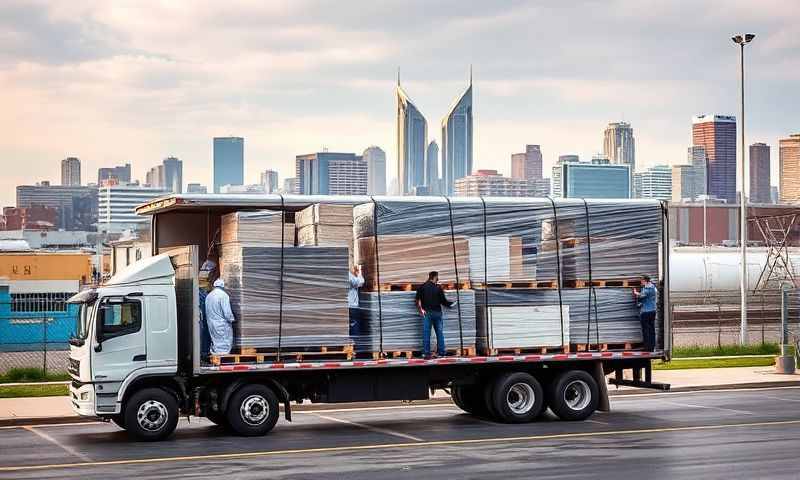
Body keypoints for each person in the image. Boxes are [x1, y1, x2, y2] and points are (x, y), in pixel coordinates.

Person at [415, 271, 455, 359]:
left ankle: (426, 353)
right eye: (437, 277)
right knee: (439, 333)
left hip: (427, 313)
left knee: (426, 333)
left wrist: (421, 310)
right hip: (437, 313)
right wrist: (451, 304)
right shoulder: (438, 288)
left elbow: (417, 300)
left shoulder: (422, 287)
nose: (438, 278)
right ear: (435, 277)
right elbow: (443, 301)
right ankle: (441, 352)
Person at [206, 278, 236, 355]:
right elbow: (227, 312)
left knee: (215, 339)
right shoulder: (223, 296)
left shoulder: (209, 296)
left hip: (211, 323)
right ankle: (222, 355)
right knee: (224, 340)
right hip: (222, 324)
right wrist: (232, 319)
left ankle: (215, 354)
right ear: (223, 286)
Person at [633, 274, 657, 351]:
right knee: (651, 329)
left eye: (642, 280)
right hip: (652, 311)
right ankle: (652, 346)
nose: (641, 282)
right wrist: (641, 303)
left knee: (646, 330)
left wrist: (635, 292)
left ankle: (647, 348)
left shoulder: (648, 288)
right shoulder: (653, 287)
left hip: (646, 312)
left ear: (645, 281)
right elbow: (647, 299)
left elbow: (641, 296)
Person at [348, 264, 365, 338]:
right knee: (354, 323)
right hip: (351, 304)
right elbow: (360, 282)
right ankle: (355, 341)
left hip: (347, 304)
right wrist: (359, 274)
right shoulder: (348, 275)